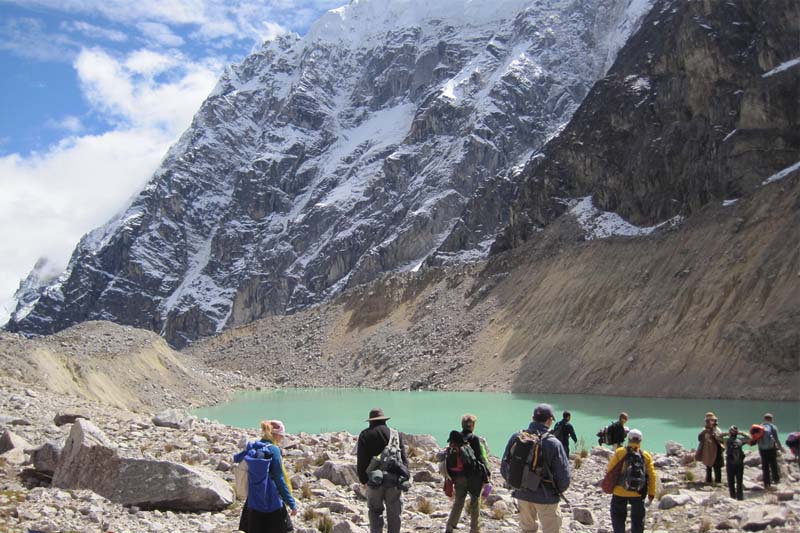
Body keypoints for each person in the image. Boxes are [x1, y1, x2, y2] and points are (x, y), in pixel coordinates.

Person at [501, 403, 570, 533]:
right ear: (549, 420)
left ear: (532, 418)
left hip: (522, 494)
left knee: (527, 530)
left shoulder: (517, 437)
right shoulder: (553, 443)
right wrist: (557, 491)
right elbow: (564, 475)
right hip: (546, 496)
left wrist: (516, 483)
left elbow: (504, 466)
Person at [234, 420, 298, 533]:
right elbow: (279, 478)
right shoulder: (274, 450)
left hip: (253, 502)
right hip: (272, 501)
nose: (282, 439)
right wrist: (291, 502)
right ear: (276, 435)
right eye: (281, 436)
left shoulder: (254, 448)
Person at [356, 408, 409, 533]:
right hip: (394, 481)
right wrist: (404, 476)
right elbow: (404, 459)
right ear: (384, 420)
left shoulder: (365, 435)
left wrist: (363, 480)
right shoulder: (396, 434)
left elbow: (361, 461)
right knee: (394, 514)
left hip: (374, 481)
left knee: (375, 512)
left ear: (371, 421)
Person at [445, 414, 491, 533]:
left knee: (459, 500)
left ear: (462, 425)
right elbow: (479, 457)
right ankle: (475, 529)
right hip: (473, 476)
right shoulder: (474, 439)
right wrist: (487, 476)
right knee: (475, 501)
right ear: (473, 426)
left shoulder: (455, 438)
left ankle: (450, 526)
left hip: (457, 475)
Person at [606, 429, 656, 533]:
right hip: (638, 493)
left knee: (618, 517)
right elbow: (652, 476)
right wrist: (651, 493)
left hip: (619, 491)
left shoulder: (620, 452)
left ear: (628, 439)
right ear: (640, 441)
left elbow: (609, 469)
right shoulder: (645, 456)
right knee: (638, 521)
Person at [750, 413, 785, 489]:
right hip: (771, 449)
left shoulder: (759, 427)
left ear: (764, 419)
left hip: (762, 450)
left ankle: (766, 483)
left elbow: (755, 438)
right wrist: (781, 448)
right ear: (771, 419)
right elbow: (776, 439)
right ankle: (776, 480)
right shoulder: (773, 427)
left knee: (765, 466)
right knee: (773, 464)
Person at [697, 415, 724, 484]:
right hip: (708, 450)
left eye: (711, 421)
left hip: (716, 451)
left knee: (717, 467)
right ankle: (708, 481)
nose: (708, 422)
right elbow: (700, 439)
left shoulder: (717, 430)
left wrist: (714, 435)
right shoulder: (704, 430)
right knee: (708, 467)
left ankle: (718, 482)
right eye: (707, 421)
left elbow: (721, 440)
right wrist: (704, 432)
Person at [724, 425, 747, 500]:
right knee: (739, 481)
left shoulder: (726, 440)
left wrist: (726, 434)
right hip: (739, 463)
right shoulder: (740, 440)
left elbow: (717, 437)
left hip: (730, 463)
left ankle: (732, 497)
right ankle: (740, 497)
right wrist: (741, 433)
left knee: (731, 481)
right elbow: (749, 438)